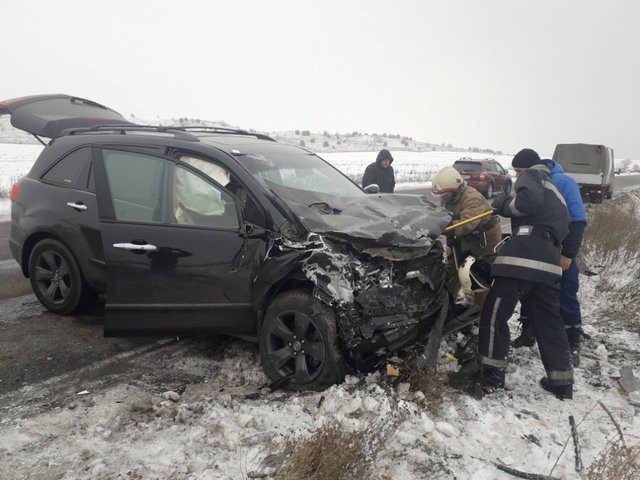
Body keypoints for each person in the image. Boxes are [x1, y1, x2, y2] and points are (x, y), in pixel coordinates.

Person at [459, 148, 574, 400]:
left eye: (517, 170)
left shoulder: (533, 175)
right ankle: (561, 382)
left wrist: (502, 204)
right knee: (549, 322)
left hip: (522, 258)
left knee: (494, 314)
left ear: (524, 167)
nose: (516, 175)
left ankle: (490, 377)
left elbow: (526, 203)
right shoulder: (557, 193)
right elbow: (567, 227)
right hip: (549, 263)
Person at [512, 157, 588, 367]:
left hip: (559, 249)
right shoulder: (527, 183)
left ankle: (572, 338)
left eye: (520, 171)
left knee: (565, 291)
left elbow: (578, 220)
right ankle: (529, 331)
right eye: (515, 172)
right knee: (528, 289)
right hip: (533, 248)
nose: (518, 176)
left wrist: (569, 254)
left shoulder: (565, 183)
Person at [432, 166, 502, 308]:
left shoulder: (472, 198)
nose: (442, 197)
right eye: (440, 194)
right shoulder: (448, 197)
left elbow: (466, 225)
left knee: (478, 276)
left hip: (484, 240)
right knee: (451, 271)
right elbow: (443, 216)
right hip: (464, 238)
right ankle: (446, 306)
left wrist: (443, 230)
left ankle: (480, 312)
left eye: (444, 193)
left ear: (455, 189)